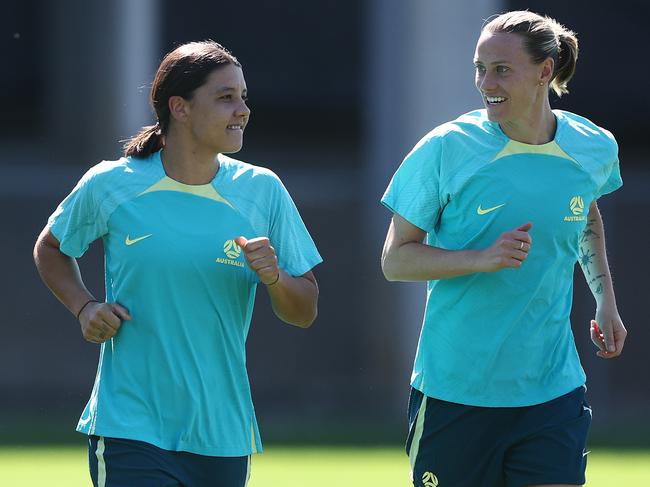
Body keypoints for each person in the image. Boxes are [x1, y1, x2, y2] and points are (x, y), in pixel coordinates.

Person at [33, 40, 322, 487]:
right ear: (180, 108)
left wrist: (275, 278)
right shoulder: (111, 183)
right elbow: (51, 248)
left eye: (244, 97)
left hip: (222, 434)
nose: (242, 110)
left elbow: (303, 311)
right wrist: (85, 306)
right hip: (129, 426)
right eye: (226, 97)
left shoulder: (263, 190)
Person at [381, 11, 626, 487]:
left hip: (553, 392)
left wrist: (606, 298)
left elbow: (584, 213)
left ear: (545, 71)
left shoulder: (594, 147)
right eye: (479, 67)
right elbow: (395, 259)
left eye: (501, 69)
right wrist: (481, 258)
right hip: (457, 392)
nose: (484, 82)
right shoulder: (446, 148)